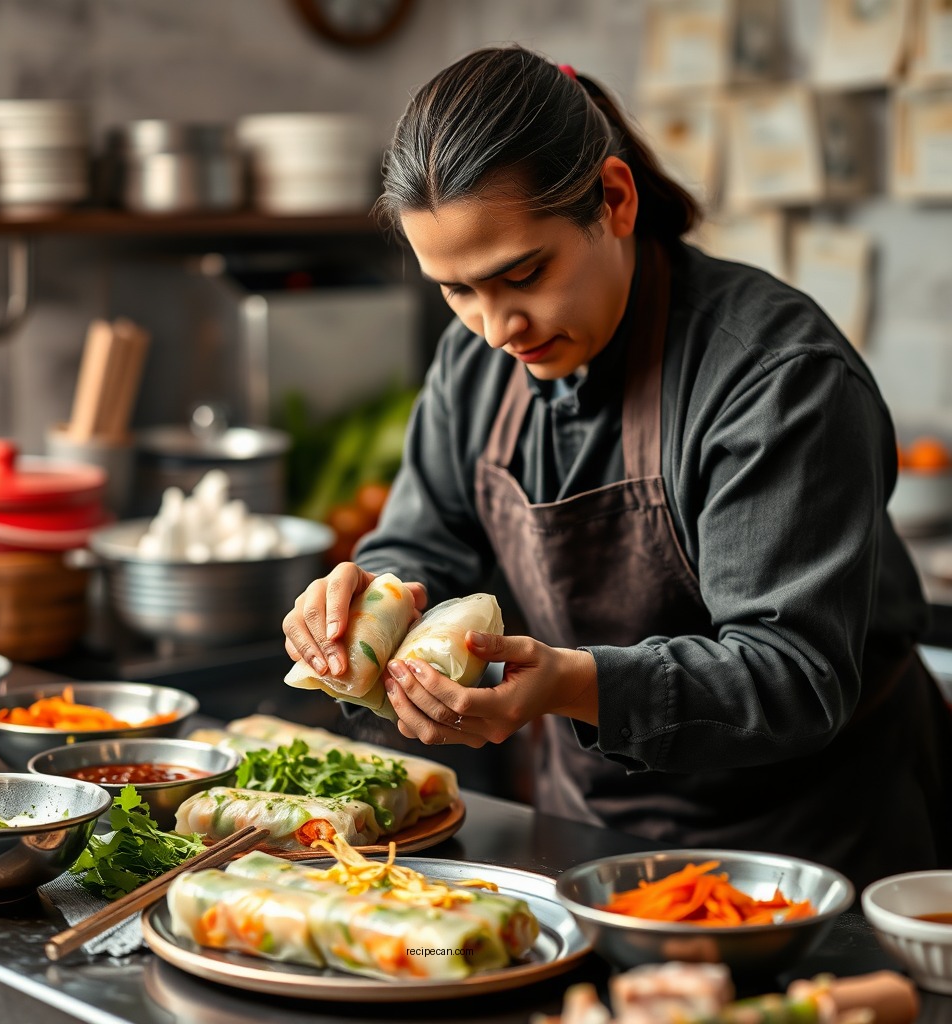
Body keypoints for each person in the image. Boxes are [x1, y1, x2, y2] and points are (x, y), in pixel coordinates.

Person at [282, 44, 952, 889]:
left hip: (813, 855)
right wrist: (370, 602)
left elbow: (792, 675)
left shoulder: (774, 378)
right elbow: (429, 546)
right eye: (455, 291)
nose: (496, 329)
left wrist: (571, 683)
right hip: (593, 839)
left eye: (523, 273)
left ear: (616, 198)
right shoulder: (475, 365)